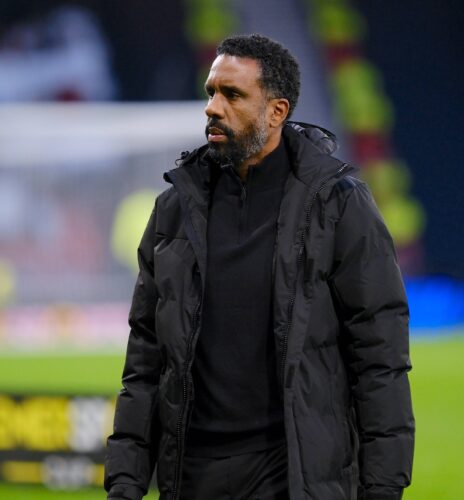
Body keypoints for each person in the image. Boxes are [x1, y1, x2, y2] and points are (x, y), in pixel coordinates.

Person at [105, 34, 414, 500]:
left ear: (276, 112)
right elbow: (145, 362)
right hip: (193, 475)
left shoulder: (336, 204)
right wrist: (125, 483)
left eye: (232, 95)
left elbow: (380, 357)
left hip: (291, 475)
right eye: (211, 92)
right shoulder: (174, 210)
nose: (212, 107)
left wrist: (383, 487)